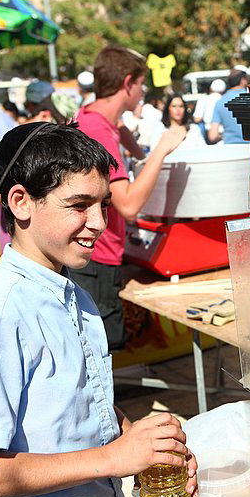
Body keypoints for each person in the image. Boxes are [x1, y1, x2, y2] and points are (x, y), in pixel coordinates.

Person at [0, 122, 198, 497]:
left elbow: (83, 401)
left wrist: (145, 447)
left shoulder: (75, 295)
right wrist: (113, 458)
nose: (98, 222)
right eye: (79, 206)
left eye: (104, 205)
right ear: (21, 202)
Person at [74, 45, 184, 350]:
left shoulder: (89, 116)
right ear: (127, 84)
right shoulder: (100, 133)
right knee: (102, 350)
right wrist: (161, 150)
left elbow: (117, 126)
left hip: (90, 256)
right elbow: (129, 206)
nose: (143, 91)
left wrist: (135, 150)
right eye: (140, 84)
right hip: (97, 260)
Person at [207, 69, 250, 144]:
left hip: (230, 149)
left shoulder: (220, 102)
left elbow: (212, 136)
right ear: (243, 80)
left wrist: (223, 136)